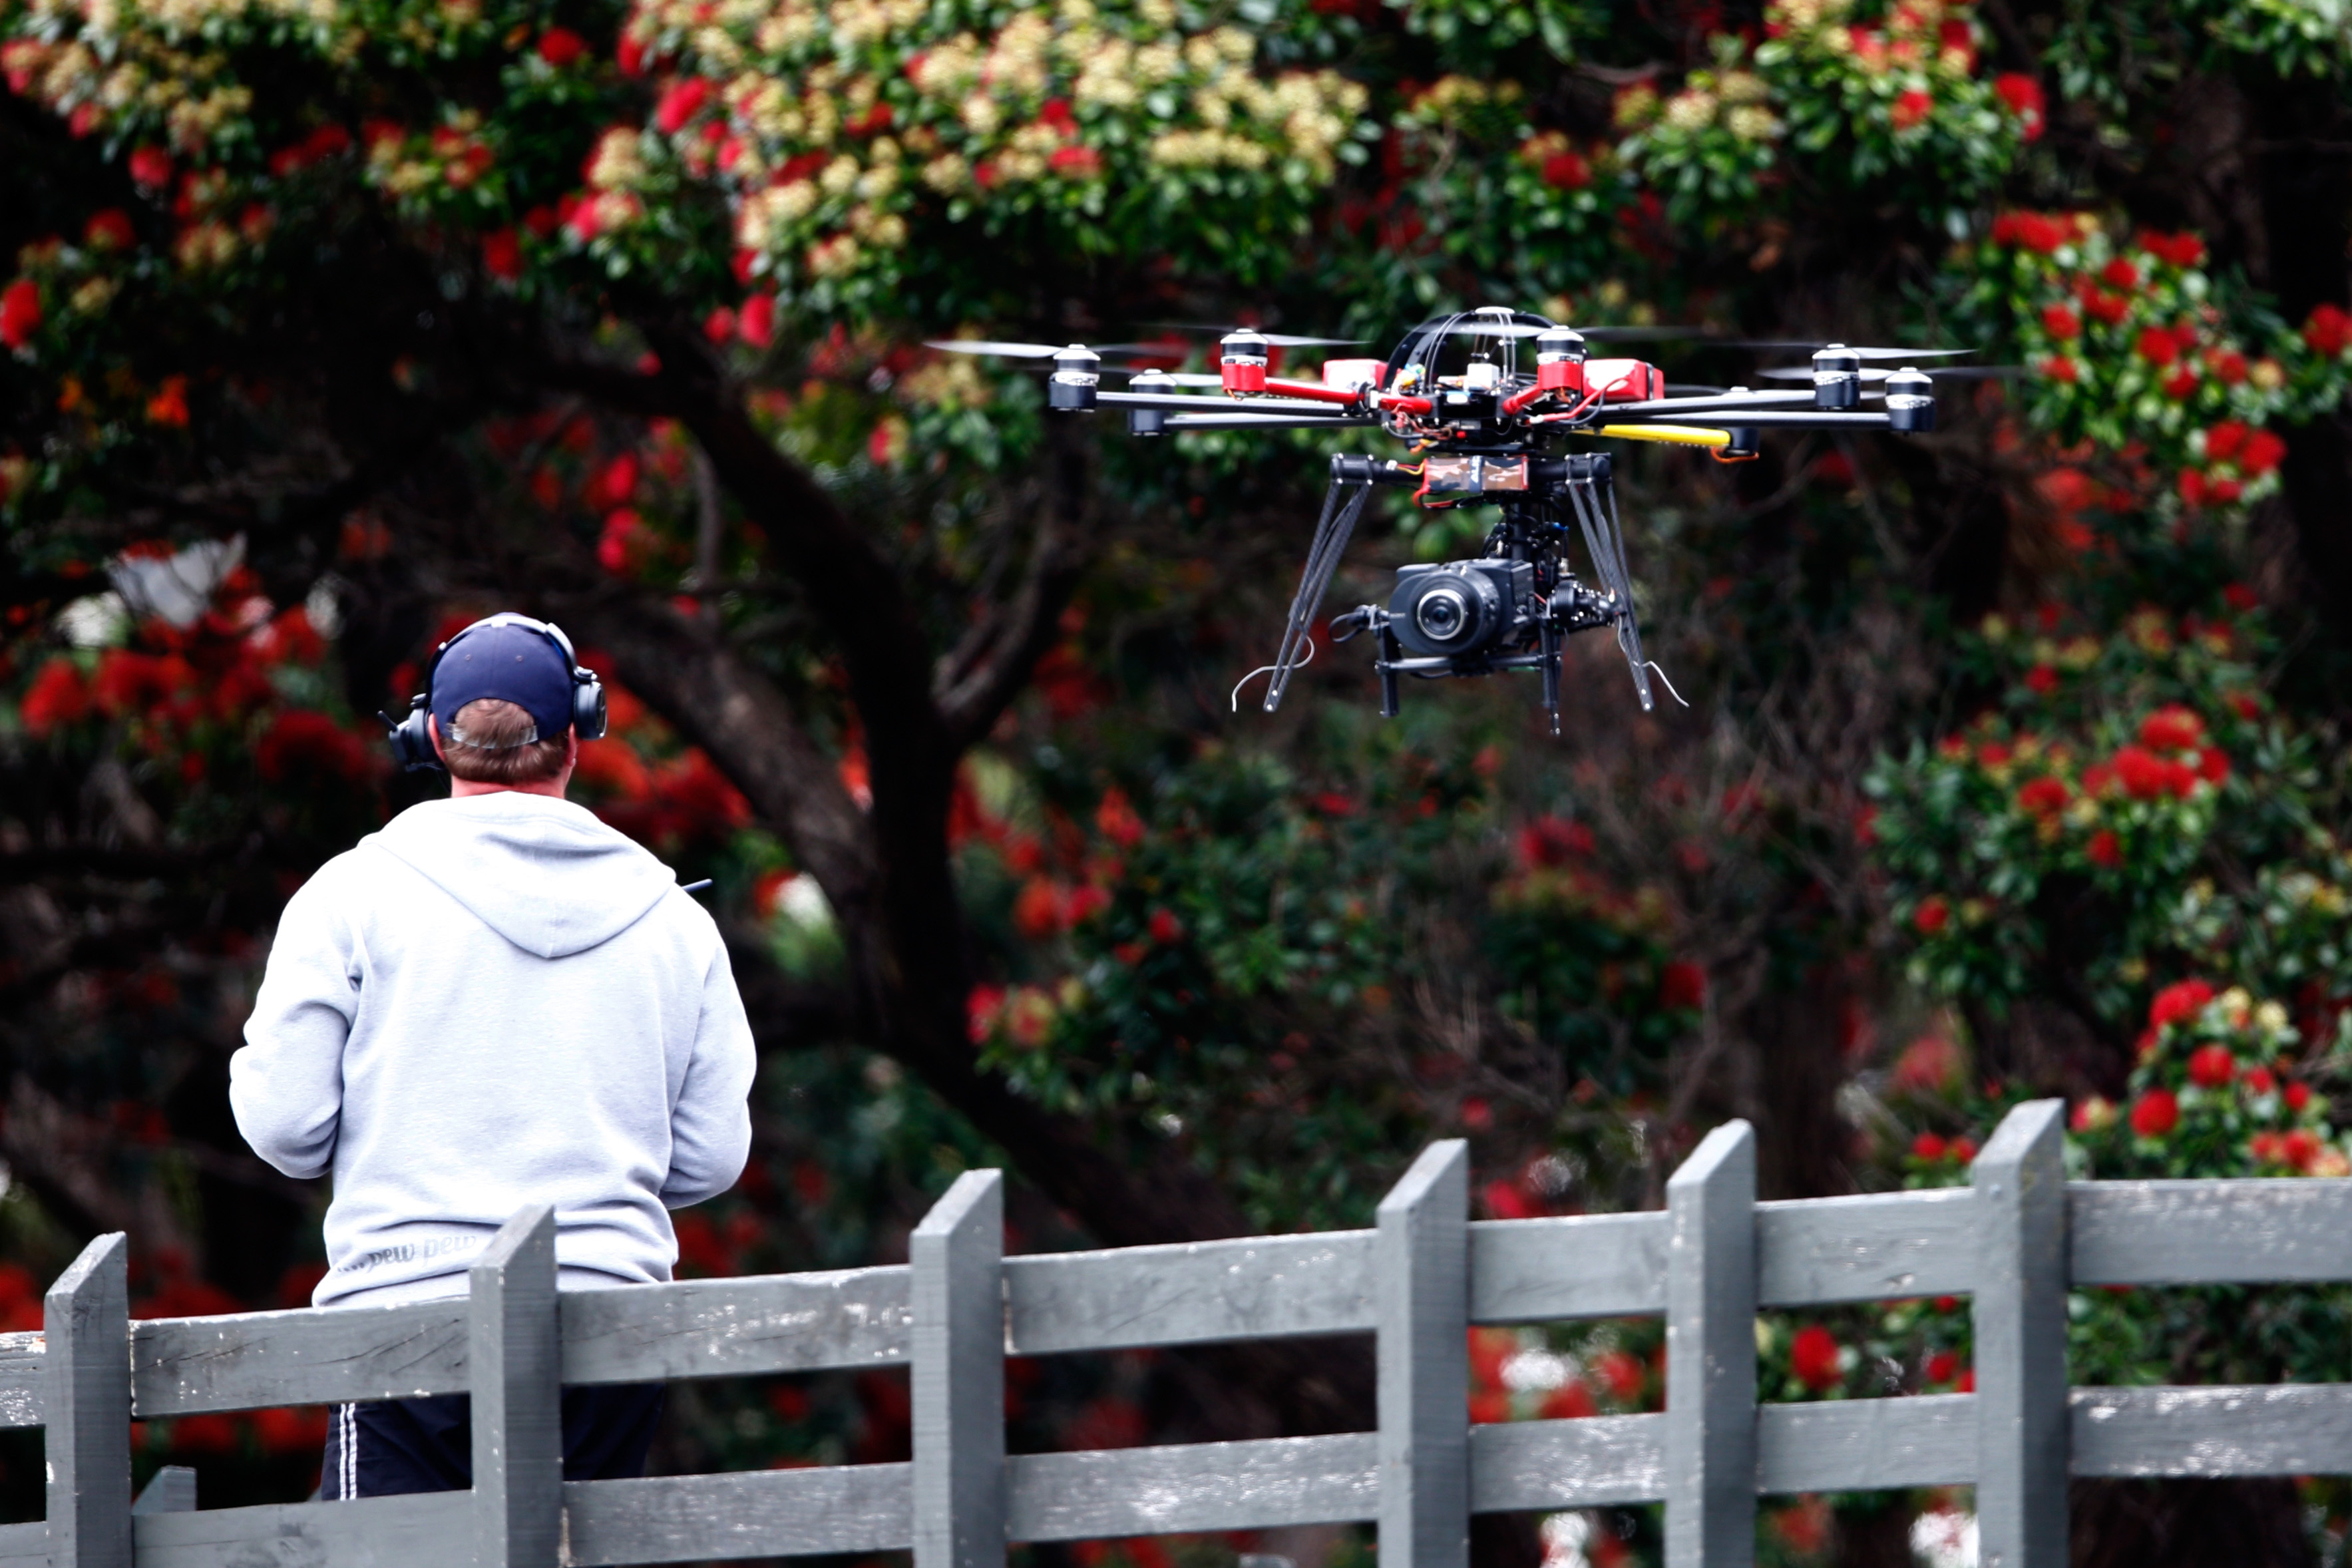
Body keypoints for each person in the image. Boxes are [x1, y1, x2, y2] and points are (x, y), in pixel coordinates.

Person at [230, 612, 756, 1499]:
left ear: (430, 736)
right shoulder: (675, 921)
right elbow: (710, 1155)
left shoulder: (350, 895)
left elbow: (286, 1128)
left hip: (404, 1323)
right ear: (577, 739)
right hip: (608, 1334)